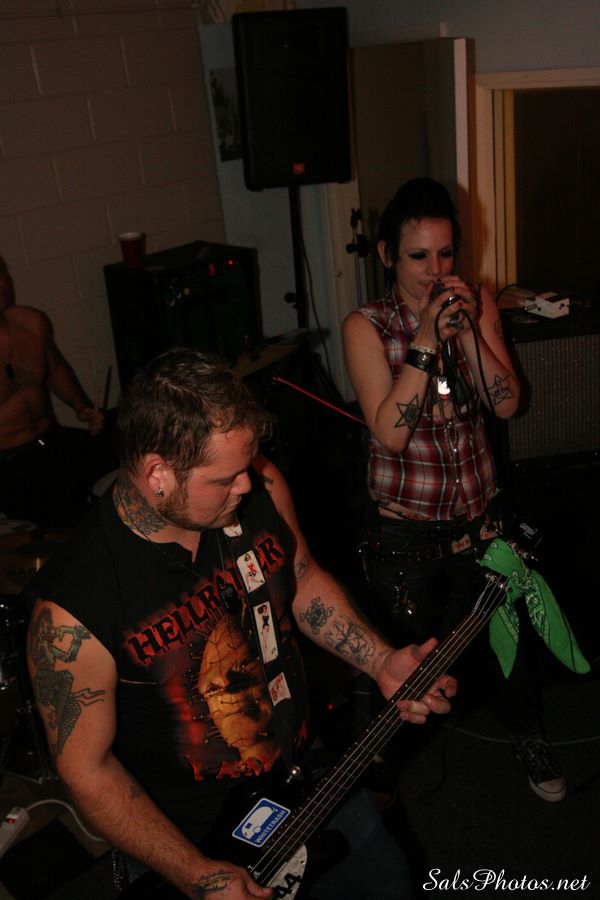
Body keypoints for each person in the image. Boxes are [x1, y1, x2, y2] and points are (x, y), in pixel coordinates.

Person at [25, 347, 456, 900]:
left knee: (390, 884)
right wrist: (197, 875)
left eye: (246, 468)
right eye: (225, 478)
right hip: (193, 837)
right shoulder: (73, 606)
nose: (247, 486)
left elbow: (300, 575)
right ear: (157, 474)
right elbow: (87, 771)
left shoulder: (260, 485)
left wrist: (380, 659)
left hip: (307, 774)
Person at [342, 177, 565, 802]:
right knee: (407, 667)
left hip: (481, 522)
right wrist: (424, 339)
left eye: (445, 254)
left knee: (508, 647)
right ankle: (377, 780)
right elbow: (390, 434)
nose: (435, 271)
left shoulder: (476, 303)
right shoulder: (367, 326)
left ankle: (527, 734)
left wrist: (467, 332)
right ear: (387, 255)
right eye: (418, 256)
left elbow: (509, 403)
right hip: (407, 537)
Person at [0, 254, 105, 527]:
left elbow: (54, 369)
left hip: (51, 439)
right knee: (69, 513)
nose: (1, 284)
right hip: (9, 462)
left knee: (121, 462)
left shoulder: (31, 323)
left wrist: (81, 406)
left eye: (1, 274)